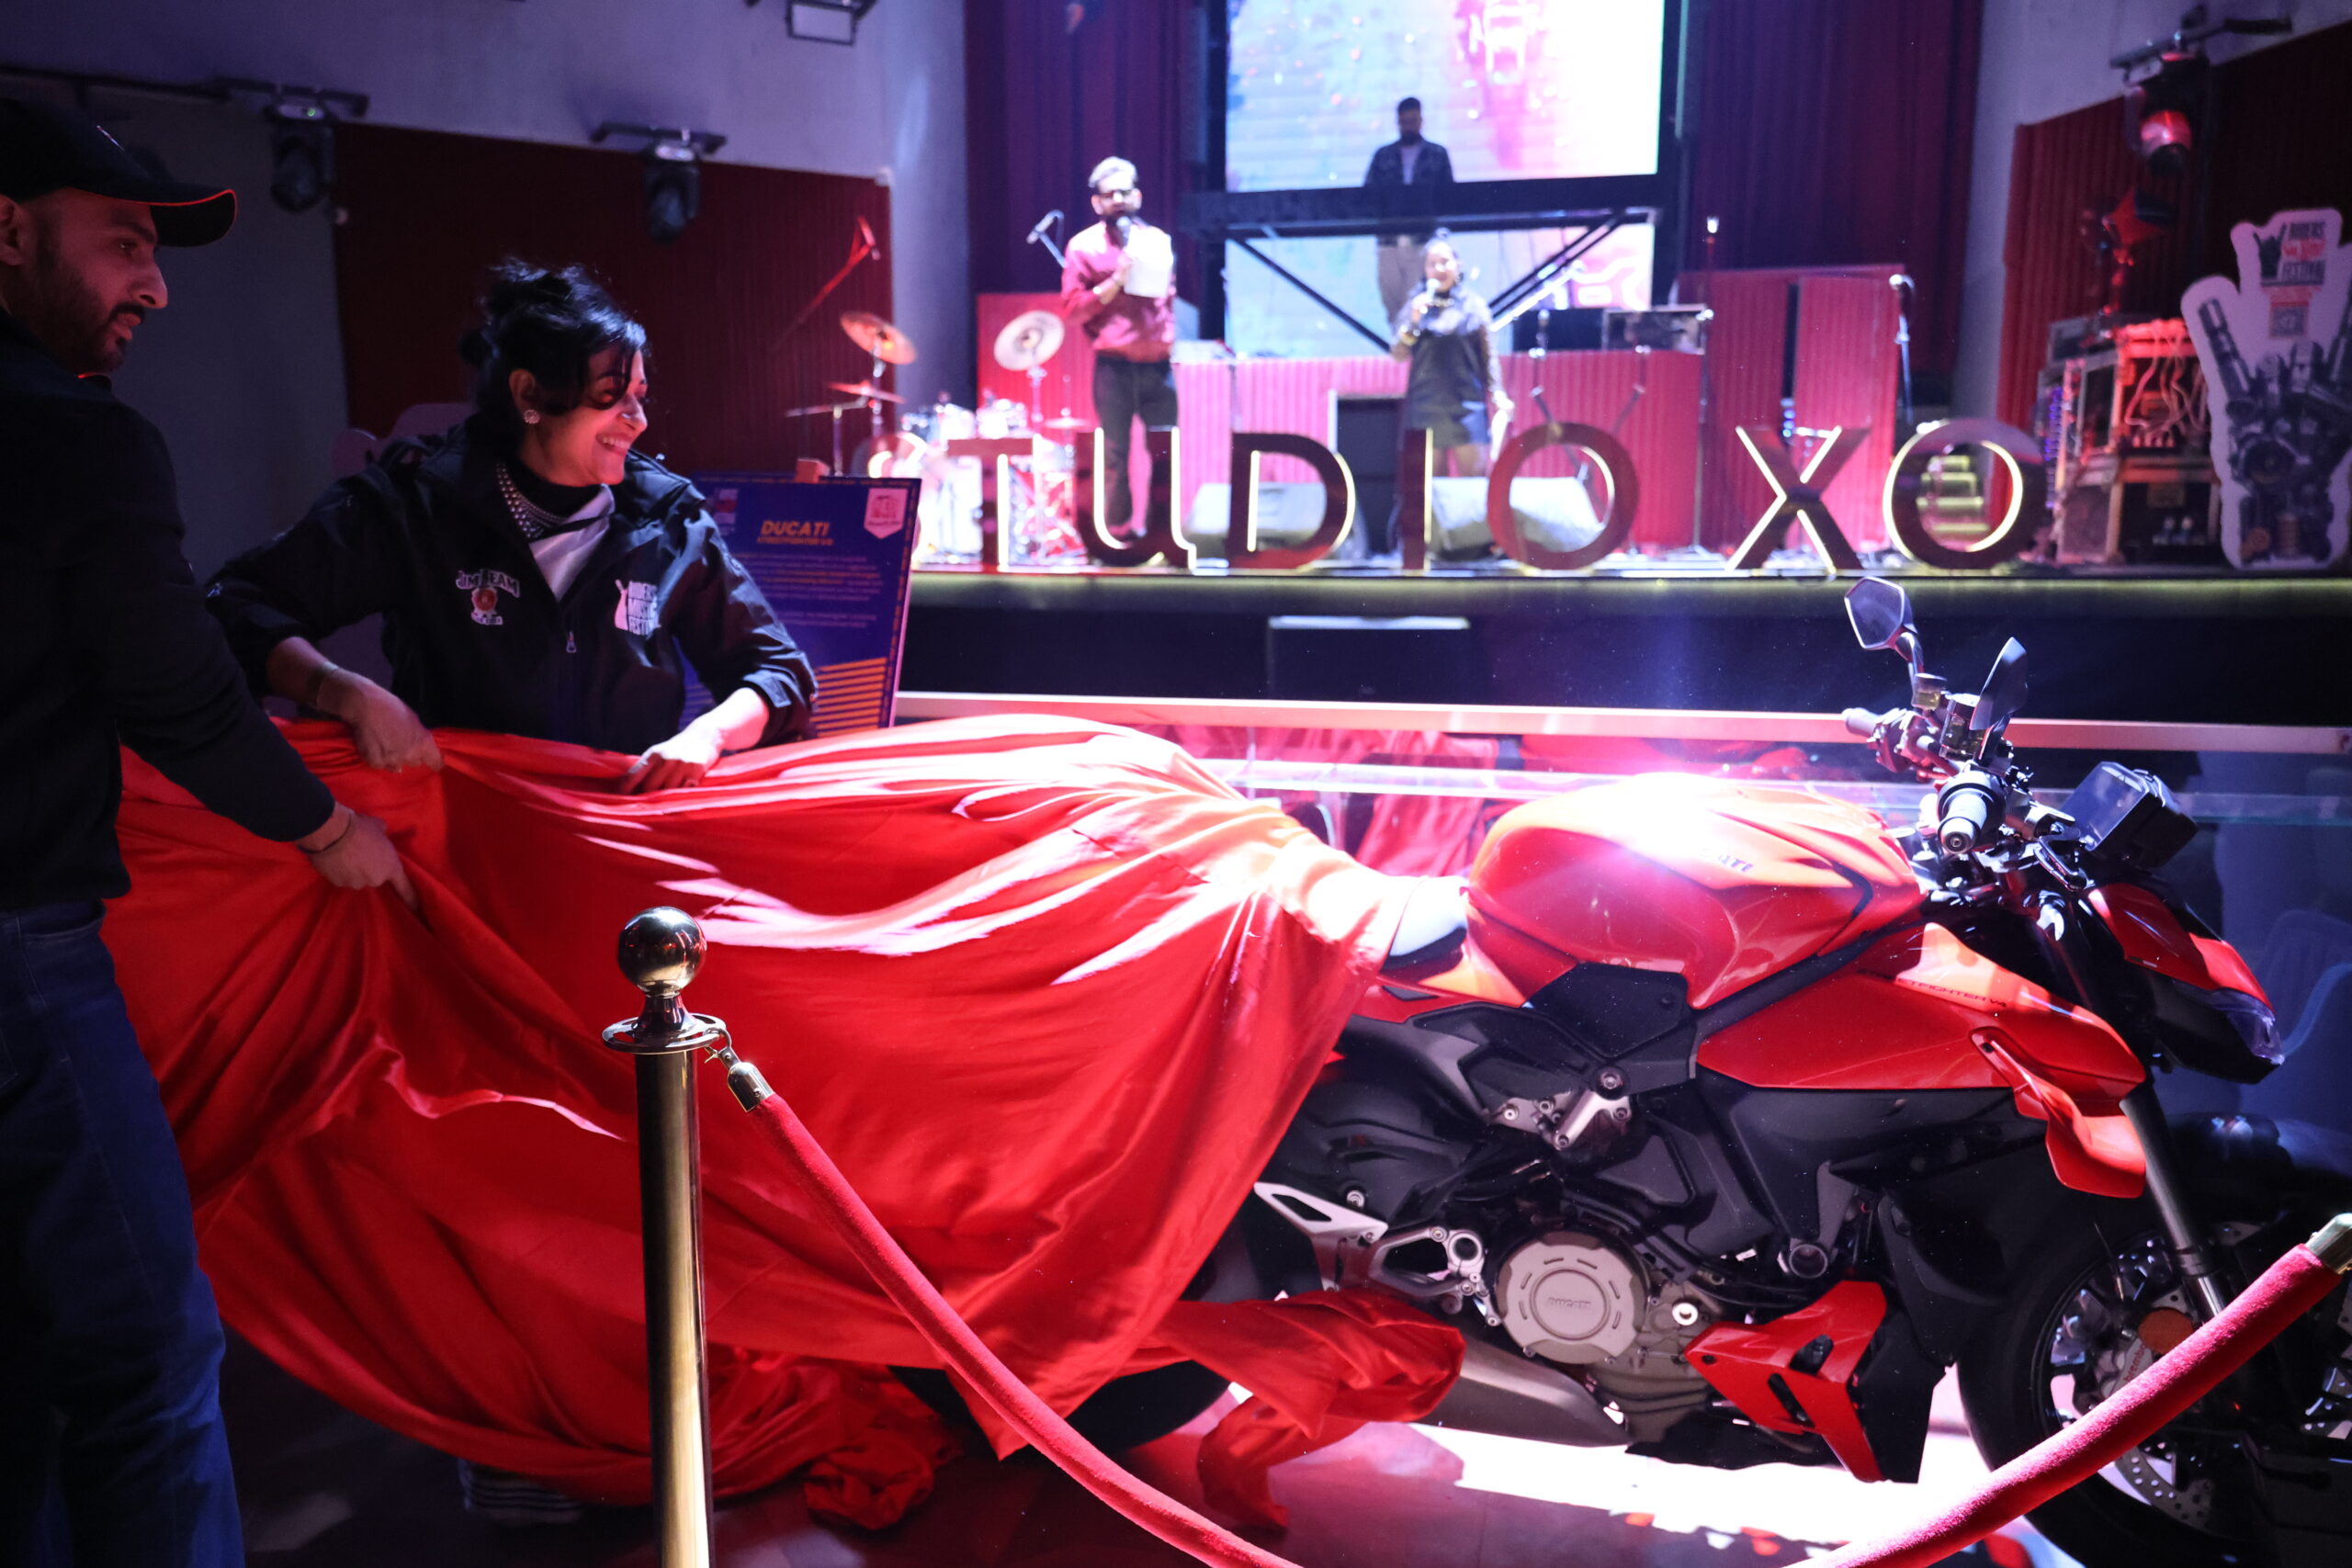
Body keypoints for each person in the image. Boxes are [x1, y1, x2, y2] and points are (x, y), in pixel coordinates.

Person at [0, 96, 409, 1568]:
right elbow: (175, 681)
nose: (156, 287)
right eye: (124, 244)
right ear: (9, 231)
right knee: (148, 1356)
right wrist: (322, 822)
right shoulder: (75, 437)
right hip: (23, 948)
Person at [208, 262, 817, 794]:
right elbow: (236, 606)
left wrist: (708, 735)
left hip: (624, 829)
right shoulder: (416, 505)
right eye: (611, 394)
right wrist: (345, 692)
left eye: (639, 394)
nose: (638, 419)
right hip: (463, 829)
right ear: (529, 394)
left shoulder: (667, 519)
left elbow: (779, 673)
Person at [1058, 156, 1177, 537]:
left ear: (1137, 196)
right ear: (1097, 203)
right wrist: (1116, 280)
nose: (1118, 200)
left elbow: (1167, 300)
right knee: (1115, 456)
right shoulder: (1084, 247)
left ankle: (1162, 534)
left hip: (1158, 365)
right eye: (1109, 195)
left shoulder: (1157, 241)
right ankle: (1118, 536)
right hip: (1115, 366)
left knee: (1165, 453)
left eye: (1125, 193)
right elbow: (1072, 311)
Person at [1393, 235, 1511, 481]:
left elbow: (1489, 355)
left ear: (1458, 265)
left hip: (1467, 406)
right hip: (1425, 408)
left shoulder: (1474, 306)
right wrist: (1414, 320)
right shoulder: (1416, 306)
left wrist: (1498, 392)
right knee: (1430, 490)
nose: (1439, 268)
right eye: (1432, 263)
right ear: (1425, 270)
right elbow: (1399, 354)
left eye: (1445, 262)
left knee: (1474, 486)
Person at [1364, 96, 1456, 329]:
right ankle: (1400, 344)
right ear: (1398, 122)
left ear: (1421, 121)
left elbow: (1449, 198)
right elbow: (1367, 196)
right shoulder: (1383, 156)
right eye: (1404, 121)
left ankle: (1413, 341)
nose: (1409, 126)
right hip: (1388, 239)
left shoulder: (1437, 154)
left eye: (1413, 120)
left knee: (1417, 300)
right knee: (1391, 300)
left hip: (1422, 239)